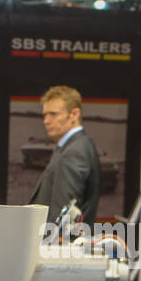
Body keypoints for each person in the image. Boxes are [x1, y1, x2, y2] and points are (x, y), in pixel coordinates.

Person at [30, 85, 101, 226]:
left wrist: (50, 243)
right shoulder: (75, 147)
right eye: (45, 115)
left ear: (74, 114)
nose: (46, 121)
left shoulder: (74, 152)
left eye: (53, 114)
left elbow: (64, 213)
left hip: (59, 244)